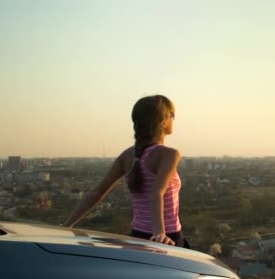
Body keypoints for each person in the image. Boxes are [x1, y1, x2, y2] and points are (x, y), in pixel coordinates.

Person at [62, 95, 186, 247]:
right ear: (163, 121)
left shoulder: (127, 155)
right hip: (166, 237)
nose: (174, 119)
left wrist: (67, 225)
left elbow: (97, 192)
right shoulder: (169, 154)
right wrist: (159, 234)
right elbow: (156, 193)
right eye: (172, 115)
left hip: (136, 237)